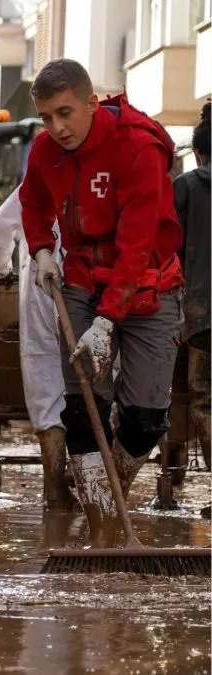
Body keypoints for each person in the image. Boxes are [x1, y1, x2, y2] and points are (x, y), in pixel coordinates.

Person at [19, 59, 184, 546]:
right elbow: (33, 203)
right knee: (83, 403)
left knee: (146, 418)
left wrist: (108, 321)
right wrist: (42, 249)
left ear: (93, 102)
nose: (57, 128)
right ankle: (101, 529)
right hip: (80, 282)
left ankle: (110, 480)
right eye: (47, 117)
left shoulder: (138, 148)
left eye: (65, 113)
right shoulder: (45, 149)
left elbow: (137, 247)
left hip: (149, 284)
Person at [0, 184, 76, 511]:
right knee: (98, 381)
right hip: (92, 289)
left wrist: (1, 270)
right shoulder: (106, 173)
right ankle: (97, 493)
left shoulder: (35, 185)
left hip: (40, 289)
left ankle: (54, 490)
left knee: (47, 381)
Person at [174, 102, 210, 517]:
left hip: (203, 317)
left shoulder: (184, 189)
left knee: (205, 402)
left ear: (198, 154)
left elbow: (169, 250)